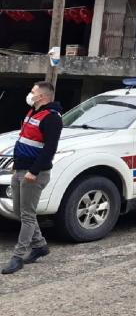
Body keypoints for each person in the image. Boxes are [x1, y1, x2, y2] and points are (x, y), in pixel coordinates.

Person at [2, 81, 62, 274]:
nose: (30, 94)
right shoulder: (33, 113)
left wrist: (33, 172)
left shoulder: (52, 118)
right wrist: (15, 166)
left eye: (33, 92)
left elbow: (49, 150)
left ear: (42, 97)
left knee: (27, 215)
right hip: (20, 169)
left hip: (34, 174)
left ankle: (17, 257)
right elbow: (25, 141)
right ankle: (40, 246)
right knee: (20, 211)